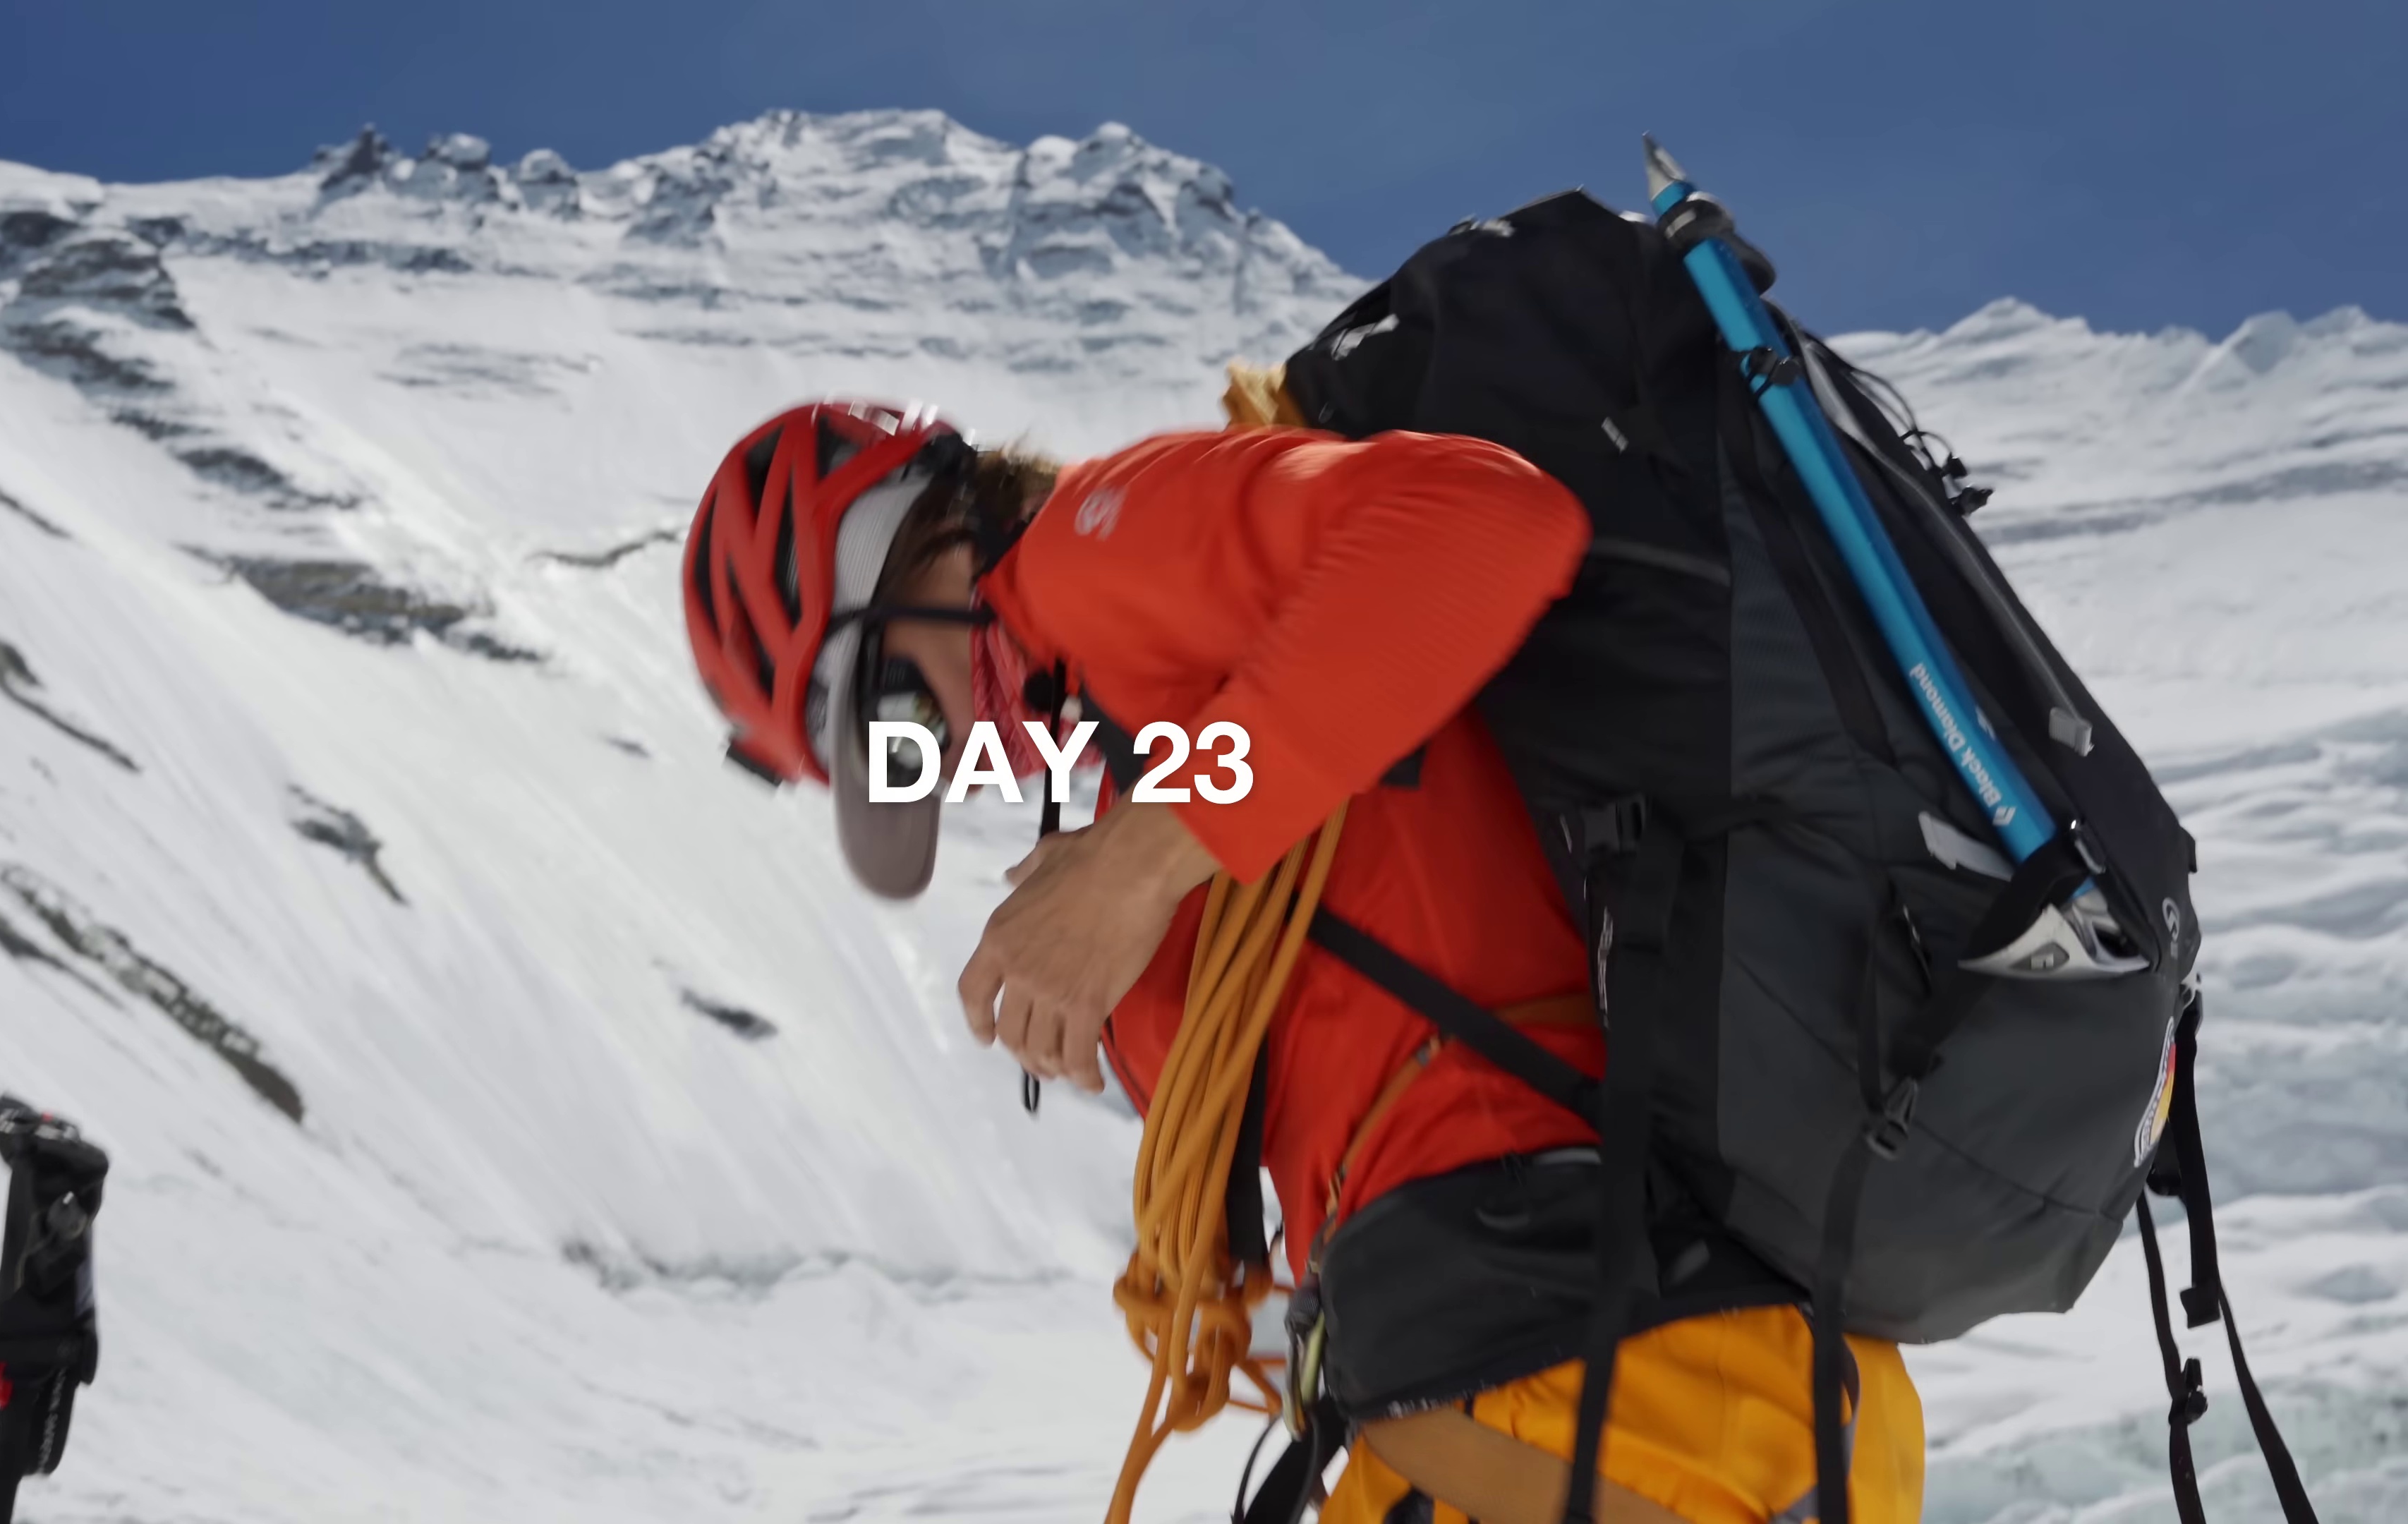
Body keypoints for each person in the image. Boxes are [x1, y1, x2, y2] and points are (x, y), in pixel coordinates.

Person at [680, 397, 1927, 1524]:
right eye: (907, 772)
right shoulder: (1151, 740)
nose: (956, 763)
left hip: (1594, 1367)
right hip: (1582, 1378)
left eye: (902, 721)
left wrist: (1138, 865)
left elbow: (1489, 525)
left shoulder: (1092, 550)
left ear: (923, 547)